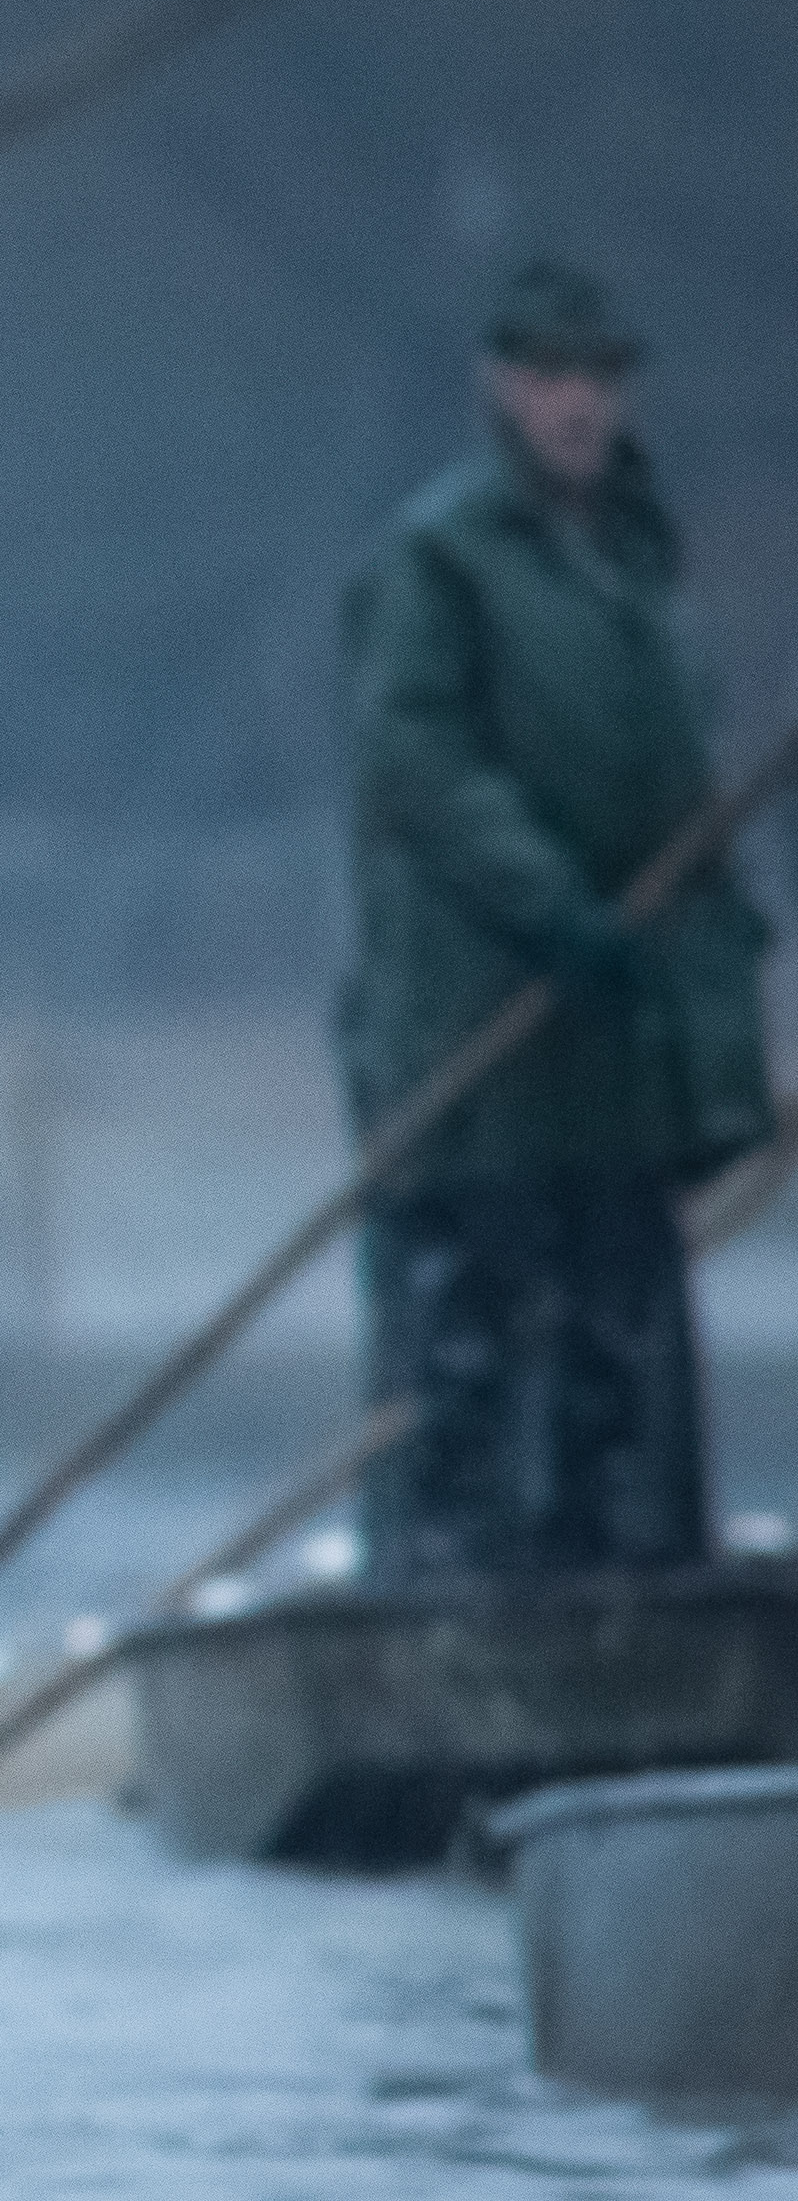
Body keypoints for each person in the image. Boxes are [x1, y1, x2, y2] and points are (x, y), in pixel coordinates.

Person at [340, 257, 773, 1580]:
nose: (576, 407)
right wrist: (553, 909)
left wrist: (707, 943)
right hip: (479, 1033)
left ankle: (630, 1606)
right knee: (472, 1342)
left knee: (618, 1345)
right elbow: (413, 767)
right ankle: (456, 1615)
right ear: (499, 390)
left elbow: (667, 773)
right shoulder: (441, 558)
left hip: (615, 1048)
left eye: (594, 379)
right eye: (548, 380)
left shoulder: (629, 555)